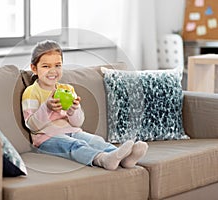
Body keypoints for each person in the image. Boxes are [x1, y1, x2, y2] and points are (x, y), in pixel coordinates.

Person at [21, 40, 148, 170]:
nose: (53, 71)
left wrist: (73, 110)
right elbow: (32, 125)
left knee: (96, 140)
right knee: (76, 145)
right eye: (46, 66)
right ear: (34, 68)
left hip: (72, 131)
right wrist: (47, 108)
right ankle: (102, 160)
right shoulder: (31, 92)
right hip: (46, 140)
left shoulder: (67, 89)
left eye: (57, 65)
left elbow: (78, 123)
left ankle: (125, 158)